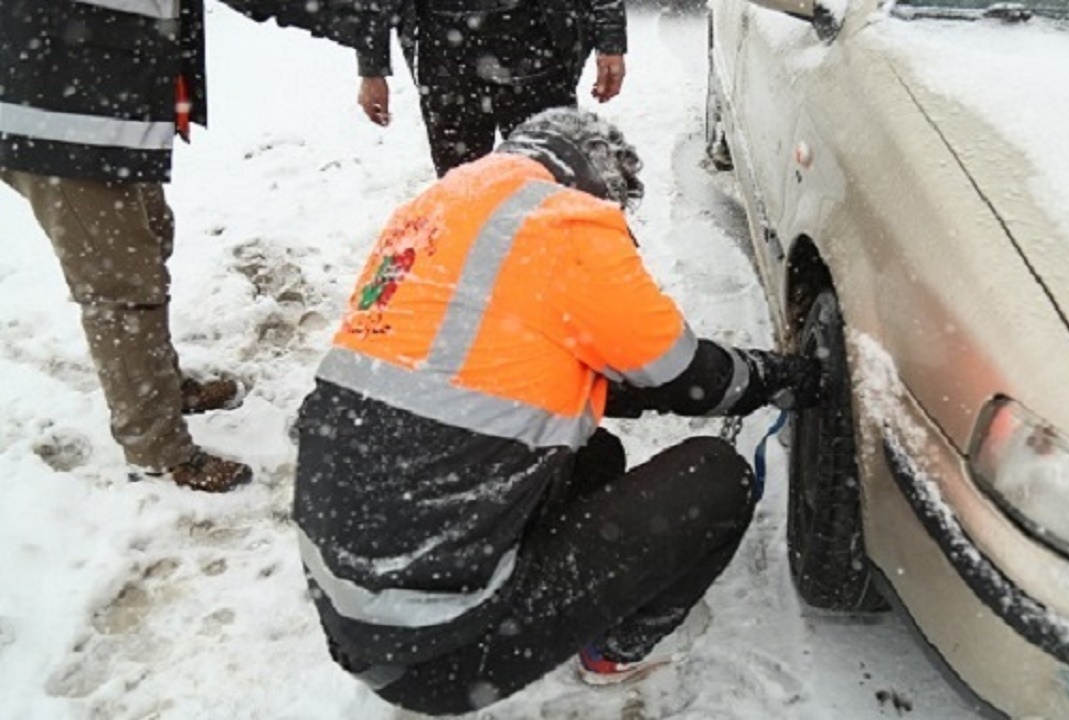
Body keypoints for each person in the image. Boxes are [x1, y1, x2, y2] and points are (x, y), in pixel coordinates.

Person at [292, 107, 823, 715]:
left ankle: (503, 609)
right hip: (447, 654)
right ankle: (613, 651)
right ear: (597, 183)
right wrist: (774, 376)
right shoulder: (565, 221)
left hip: (359, 619)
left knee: (596, 454)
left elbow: (516, 372)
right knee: (716, 479)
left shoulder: (438, 211)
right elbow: (684, 377)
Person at [0, 0, 252, 493]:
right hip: (54, 117)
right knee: (120, 283)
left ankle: (160, 388)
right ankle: (158, 451)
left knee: (149, 239)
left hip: (105, 108)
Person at [353, 0, 627, 176]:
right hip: (445, 61)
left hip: (535, 50)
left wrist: (610, 42)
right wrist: (371, 68)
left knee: (552, 186)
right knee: (461, 194)